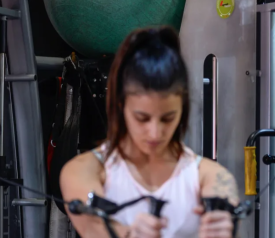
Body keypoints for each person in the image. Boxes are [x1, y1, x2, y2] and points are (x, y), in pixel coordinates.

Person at [59, 26, 239, 238]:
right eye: (142, 118)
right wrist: (128, 234)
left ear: (183, 109)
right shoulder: (82, 172)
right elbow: (97, 230)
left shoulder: (211, 177)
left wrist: (221, 225)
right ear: (120, 106)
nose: (155, 133)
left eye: (167, 118)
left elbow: (221, 206)